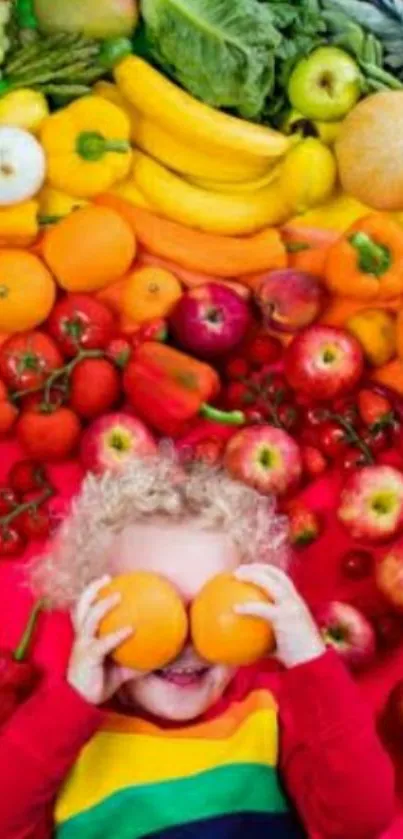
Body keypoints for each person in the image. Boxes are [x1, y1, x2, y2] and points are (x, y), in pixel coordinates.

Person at [0, 451, 395, 839]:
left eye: (212, 604)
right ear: (91, 609)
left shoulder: (265, 716)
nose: (185, 640)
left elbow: (361, 818)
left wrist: (310, 663)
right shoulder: (61, 741)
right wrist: (70, 702)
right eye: (154, 605)